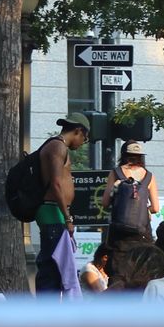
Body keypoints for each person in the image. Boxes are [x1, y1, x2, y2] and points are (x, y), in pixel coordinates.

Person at [35, 112, 91, 294]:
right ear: (78, 131)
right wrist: (67, 218)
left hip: (55, 213)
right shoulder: (58, 147)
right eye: (85, 138)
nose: (83, 143)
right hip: (53, 213)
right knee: (52, 271)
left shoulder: (56, 146)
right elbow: (56, 183)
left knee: (56, 271)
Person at [101, 141, 160, 251]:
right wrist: (143, 209)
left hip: (119, 231)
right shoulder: (149, 176)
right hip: (142, 231)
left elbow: (105, 202)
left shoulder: (116, 173)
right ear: (141, 157)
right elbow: (156, 208)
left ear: (123, 155)